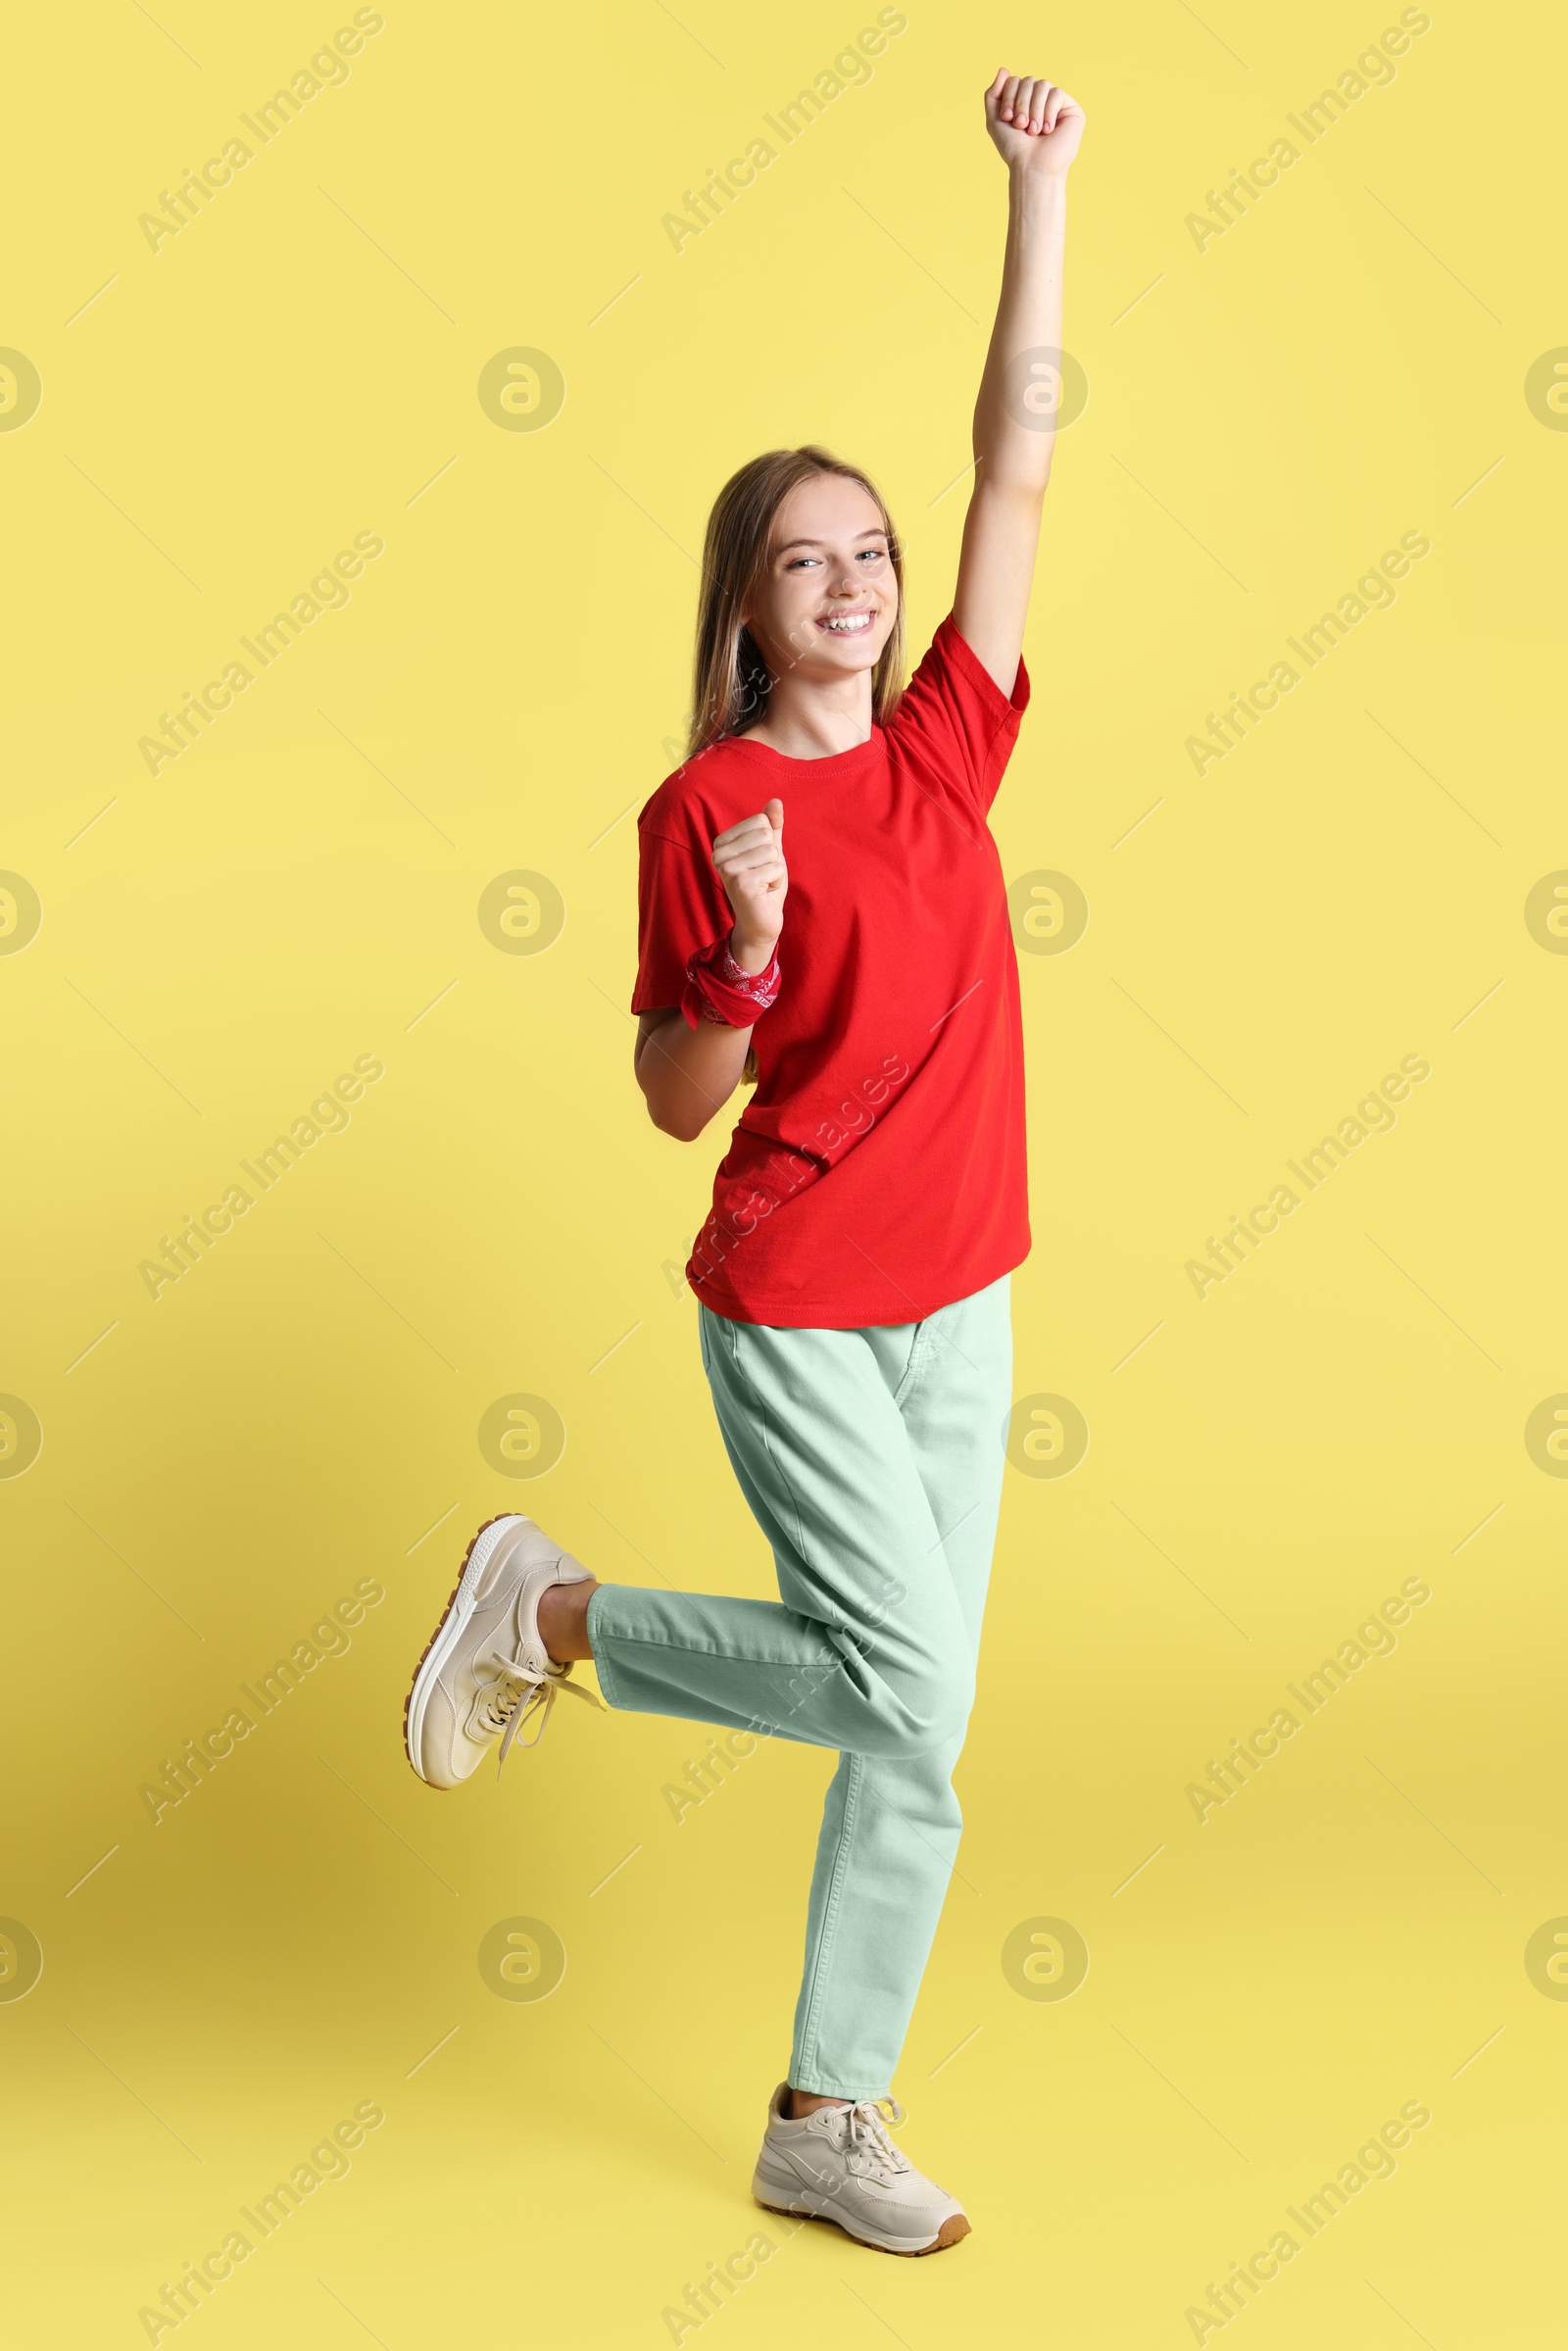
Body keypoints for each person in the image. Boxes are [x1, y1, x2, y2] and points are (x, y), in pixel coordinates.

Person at [404, 68, 1084, 2257]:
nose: (856, 580)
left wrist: (1035, 189)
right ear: (746, 603)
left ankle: (824, 2111)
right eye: (807, 561)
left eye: (869, 551)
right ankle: (553, 1610)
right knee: (917, 1683)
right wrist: (743, 952)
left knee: (917, 1728)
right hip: (796, 1303)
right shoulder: (702, 814)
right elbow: (675, 1100)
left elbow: (1018, 451)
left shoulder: (942, 746)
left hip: (961, 1291)